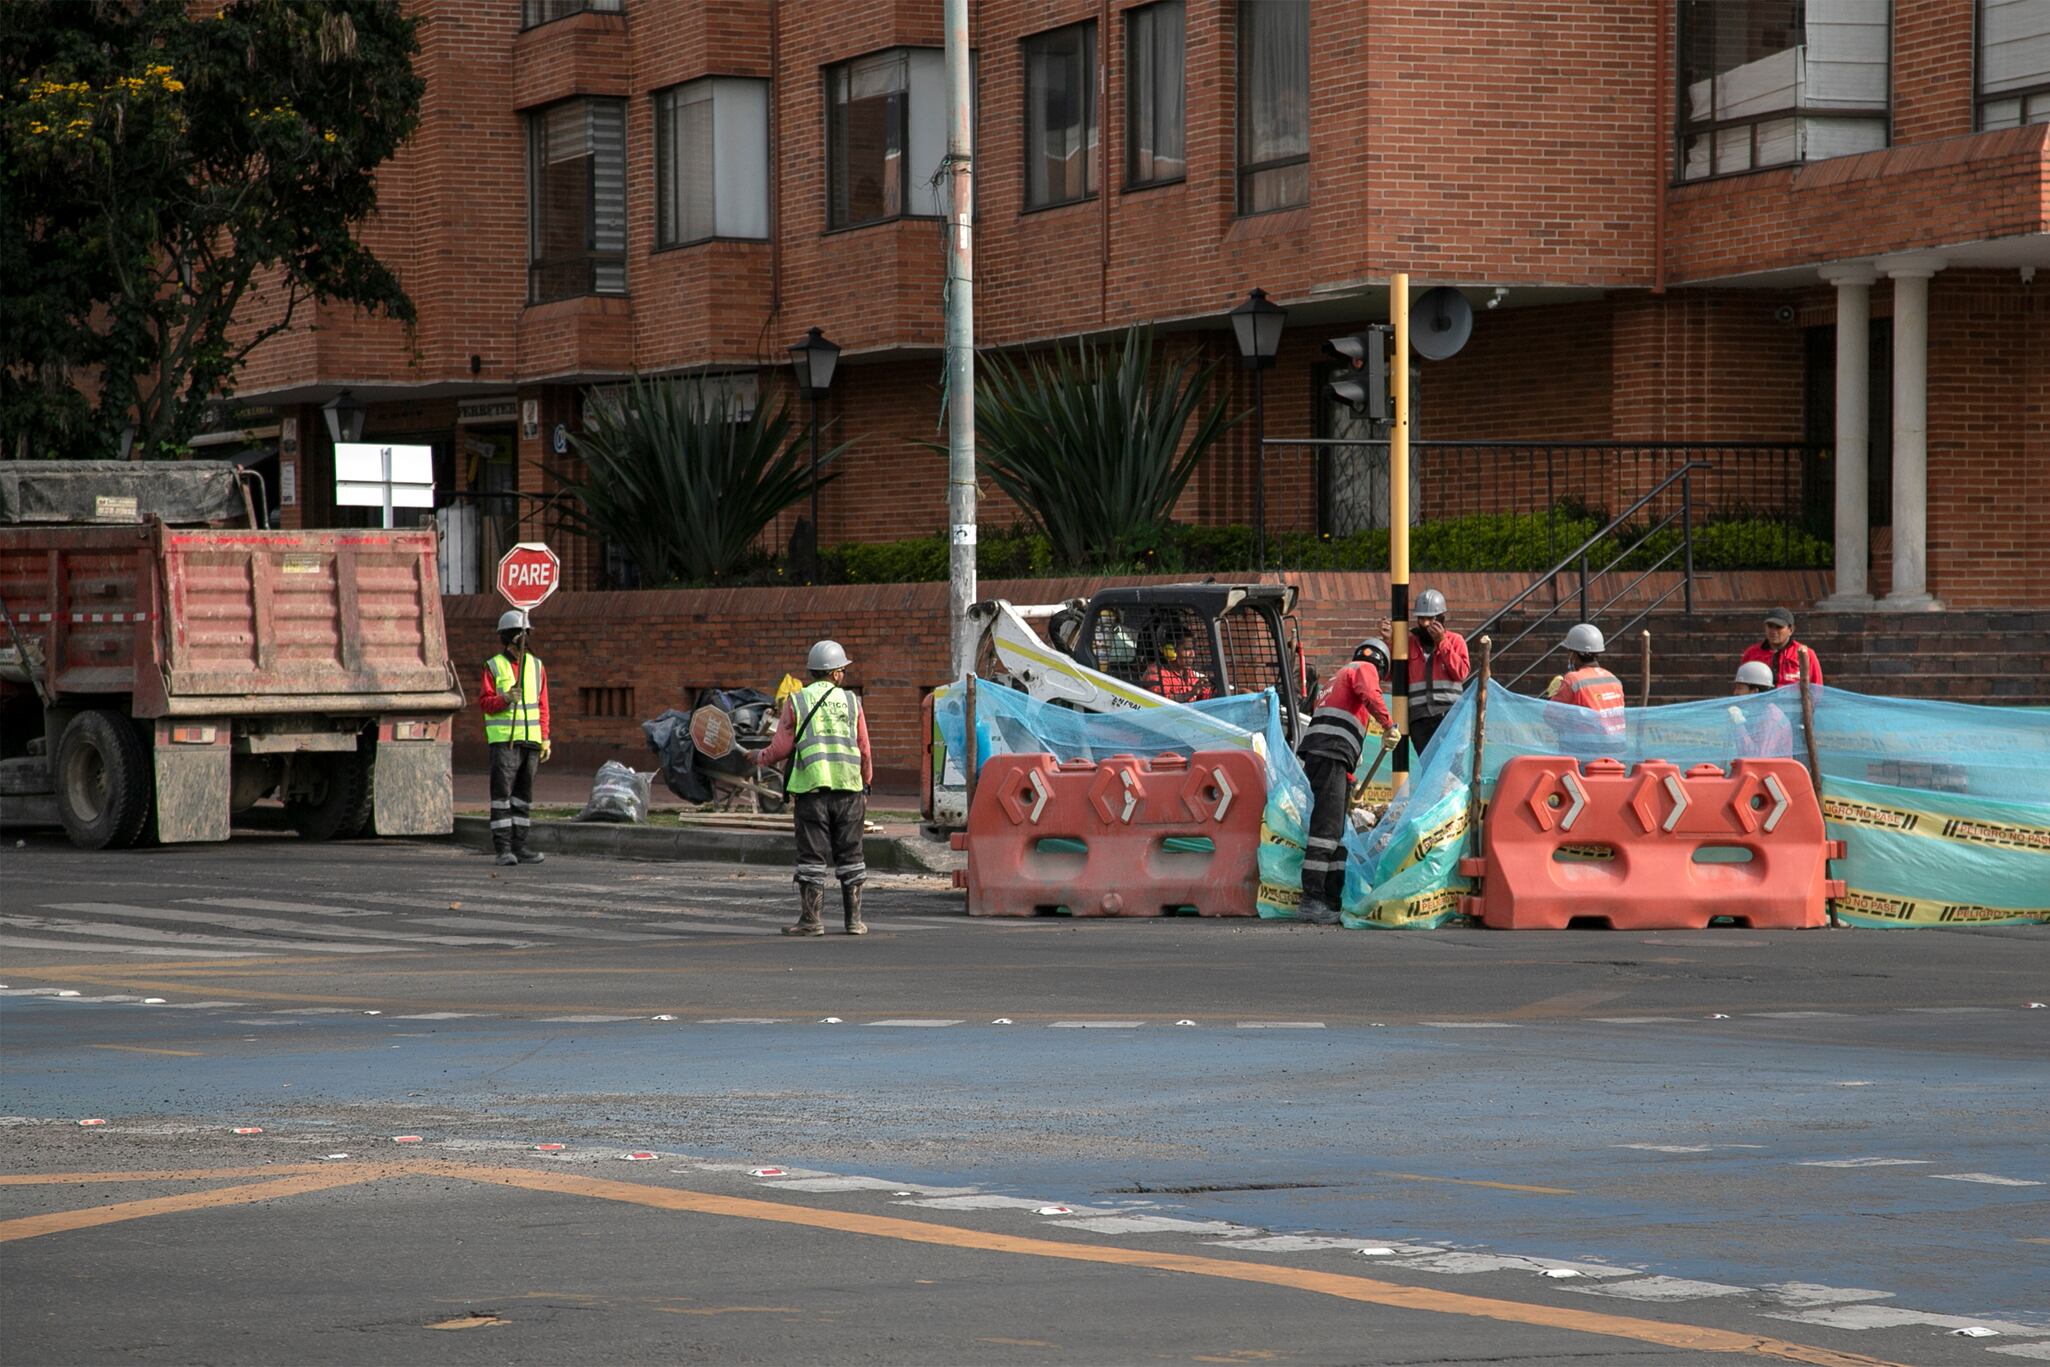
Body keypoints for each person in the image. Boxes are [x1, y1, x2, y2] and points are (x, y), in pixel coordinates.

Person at [754, 639, 875, 936]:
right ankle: (854, 922)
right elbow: (864, 749)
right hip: (849, 789)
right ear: (834, 673)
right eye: (842, 670)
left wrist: (758, 757)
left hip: (812, 791)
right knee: (851, 854)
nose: (844, 674)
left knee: (812, 856)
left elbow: (781, 748)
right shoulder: (852, 702)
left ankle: (812, 920)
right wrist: (866, 782)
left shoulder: (796, 701)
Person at [1293, 638, 1397, 926]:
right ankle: (1312, 900)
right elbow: (1370, 694)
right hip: (1331, 754)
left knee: (1336, 831)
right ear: (1381, 664)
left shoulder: (1336, 678)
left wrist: (1349, 778)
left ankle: (1330, 898)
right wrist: (1389, 725)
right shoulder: (1363, 668)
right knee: (1326, 830)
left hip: (1327, 757)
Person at [478, 608, 551, 867]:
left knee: (522, 797)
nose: (523, 639)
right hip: (504, 742)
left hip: (530, 741)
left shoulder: (536, 666)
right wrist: (505, 699)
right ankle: (503, 849)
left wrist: (545, 737)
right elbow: (486, 703)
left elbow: (542, 705)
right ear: (509, 638)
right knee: (502, 797)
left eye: (525, 634)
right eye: (520, 634)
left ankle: (520, 847)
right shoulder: (494, 666)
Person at [1381, 588, 1470, 764]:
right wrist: (1389, 642)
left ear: (1441, 617)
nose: (1426, 624)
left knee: (1454, 766)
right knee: (1430, 765)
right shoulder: (1408, 642)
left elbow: (1461, 673)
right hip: (1420, 717)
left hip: (1449, 715)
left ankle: (1453, 792)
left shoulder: (1455, 640)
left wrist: (1442, 643)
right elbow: (1390, 675)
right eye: (1422, 618)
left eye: (1431, 618)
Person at [1542, 623, 1626, 741]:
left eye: (1570, 652)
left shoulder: (1573, 679)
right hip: (1616, 749)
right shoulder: (1613, 679)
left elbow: (1550, 717)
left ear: (1574, 654)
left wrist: (1552, 696)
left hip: (1585, 750)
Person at [1740, 607, 1823, 688]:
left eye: (1779, 627)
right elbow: (1742, 689)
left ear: (1791, 630)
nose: (1773, 631)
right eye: (1770, 626)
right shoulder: (1752, 654)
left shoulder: (1807, 654)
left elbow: (1817, 689)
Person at [1728, 659, 1794, 758]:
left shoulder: (1771, 718)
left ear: (1754, 692)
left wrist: (1739, 725)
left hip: (1772, 772)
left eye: (1740, 687)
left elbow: (1758, 759)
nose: (1735, 693)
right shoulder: (1758, 712)